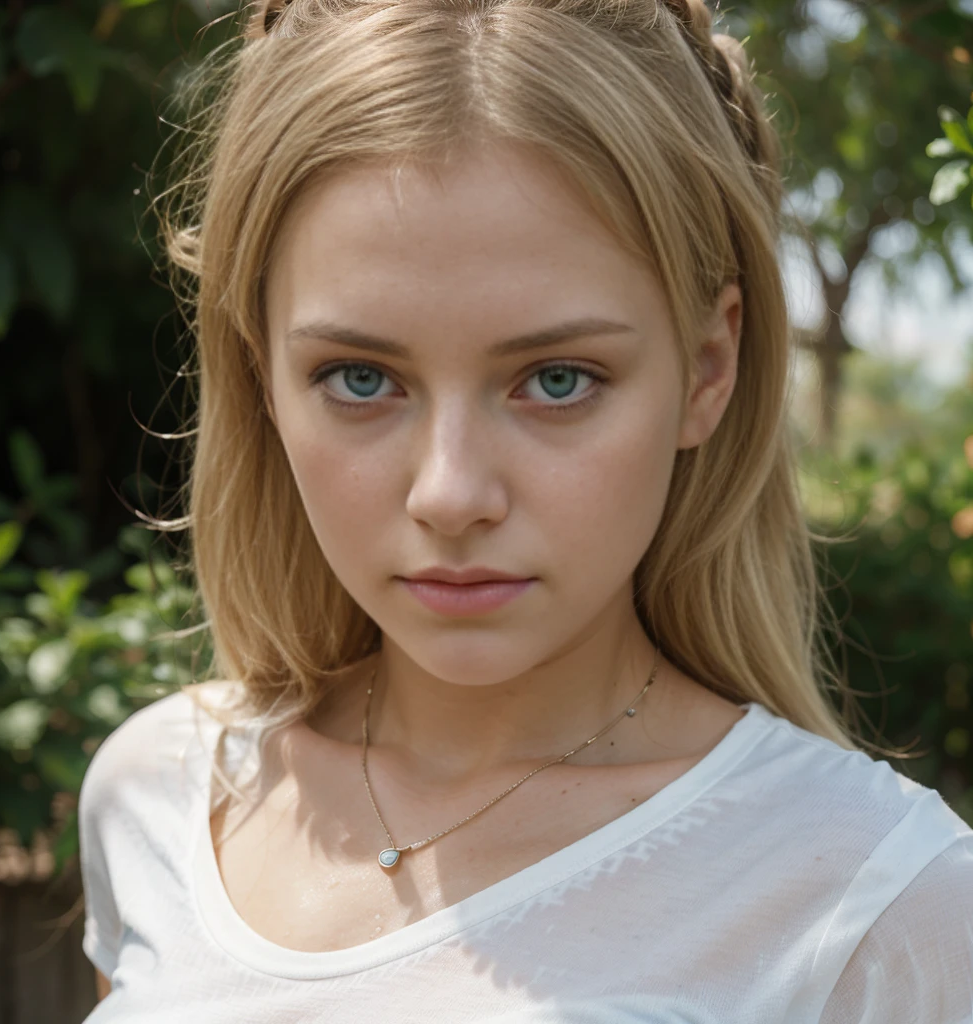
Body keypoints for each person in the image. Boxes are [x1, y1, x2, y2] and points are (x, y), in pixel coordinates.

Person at [77, 0, 973, 1019]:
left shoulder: (884, 904)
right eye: (360, 378)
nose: (450, 493)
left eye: (556, 379)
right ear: (258, 375)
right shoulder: (162, 795)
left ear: (706, 367)